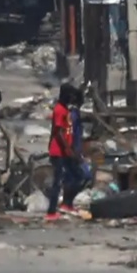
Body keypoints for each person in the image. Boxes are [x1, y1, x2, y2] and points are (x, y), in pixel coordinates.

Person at [46, 83, 83, 221]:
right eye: (71, 95)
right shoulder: (59, 110)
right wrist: (67, 149)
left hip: (65, 151)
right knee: (58, 181)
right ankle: (51, 211)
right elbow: (59, 132)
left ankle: (66, 203)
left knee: (77, 175)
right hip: (59, 151)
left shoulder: (65, 110)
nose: (72, 98)